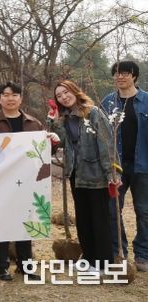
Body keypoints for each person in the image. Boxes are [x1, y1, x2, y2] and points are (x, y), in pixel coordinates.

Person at [0, 82, 49, 281]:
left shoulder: (33, 123)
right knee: (2, 223)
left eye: (15, 94)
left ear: (21, 98)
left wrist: (52, 138)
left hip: (27, 180)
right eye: (6, 95)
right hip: (0, 181)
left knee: (26, 223)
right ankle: (2, 266)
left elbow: (44, 148)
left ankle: (25, 266)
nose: (10, 98)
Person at [48, 80, 119, 270]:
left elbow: (107, 144)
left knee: (99, 220)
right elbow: (63, 143)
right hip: (76, 175)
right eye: (59, 95)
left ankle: (103, 264)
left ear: (75, 91)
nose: (63, 97)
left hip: (96, 175)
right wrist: (53, 123)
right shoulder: (65, 118)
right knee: (83, 219)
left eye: (66, 92)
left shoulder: (93, 112)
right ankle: (88, 258)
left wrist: (112, 173)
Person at [101, 61, 148, 272]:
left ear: (134, 76)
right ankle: (118, 252)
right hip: (116, 167)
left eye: (125, 73)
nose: (120, 77)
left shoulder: (146, 101)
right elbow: (101, 133)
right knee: (112, 209)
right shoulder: (108, 102)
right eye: (117, 73)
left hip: (142, 166)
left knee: (144, 211)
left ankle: (143, 254)